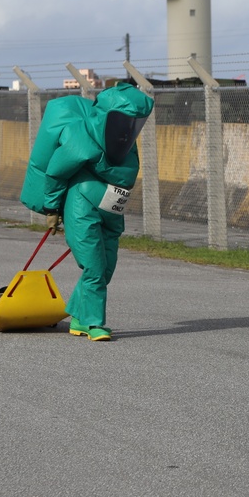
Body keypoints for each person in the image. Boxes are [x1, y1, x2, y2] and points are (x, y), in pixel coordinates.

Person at [20, 83, 154, 341]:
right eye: (124, 120)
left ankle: (79, 318)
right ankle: (95, 323)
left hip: (112, 208)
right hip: (82, 205)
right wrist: (52, 209)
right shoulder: (79, 138)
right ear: (108, 116)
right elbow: (56, 173)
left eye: (134, 122)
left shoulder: (126, 144)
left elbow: (126, 176)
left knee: (106, 268)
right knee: (94, 265)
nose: (129, 128)